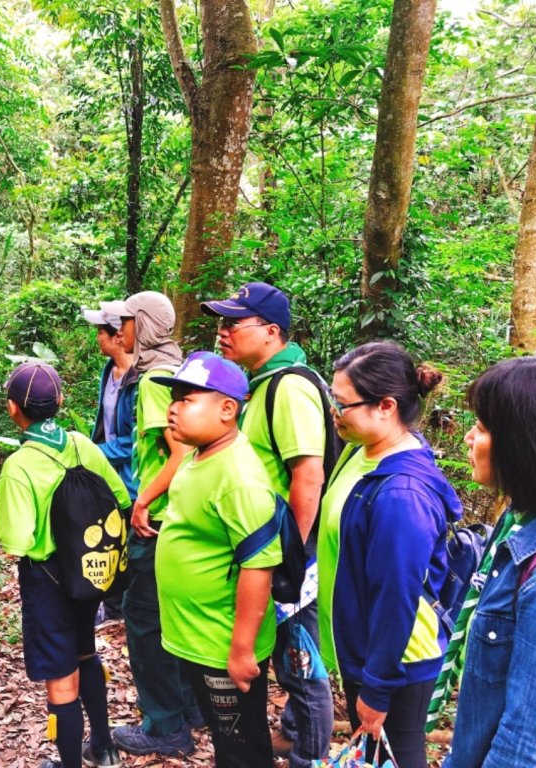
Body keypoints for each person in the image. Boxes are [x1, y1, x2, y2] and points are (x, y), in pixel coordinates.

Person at [201, 281, 333, 767]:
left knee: (301, 665)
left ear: (271, 331)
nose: (222, 332)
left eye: (234, 323)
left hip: (292, 555)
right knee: (289, 659)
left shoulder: (289, 387)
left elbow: (307, 475)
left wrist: (291, 559)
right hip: (273, 548)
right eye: (221, 322)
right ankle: (296, 735)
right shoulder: (261, 385)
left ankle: (310, 757)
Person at [317, 341, 460, 768]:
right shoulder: (362, 452)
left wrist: (377, 686)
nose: (334, 412)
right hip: (364, 645)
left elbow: (396, 594)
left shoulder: (402, 492)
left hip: (397, 658)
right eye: (333, 399)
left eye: (342, 404)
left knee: (398, 754)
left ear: (385, 406)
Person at [0, 361, 131, 768]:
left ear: (12, 409)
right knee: (86, 652)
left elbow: (17, 541)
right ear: (60, 401)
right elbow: (121, 497)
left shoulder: (19, 466)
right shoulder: (81, 445)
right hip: (90, 571)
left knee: (61, 672)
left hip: (48, 579)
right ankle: (103, 748)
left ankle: (69, 762)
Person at [152, 351, 281, 768]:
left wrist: (242, 650)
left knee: (241, 747)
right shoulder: (200, 454)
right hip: (198, 636)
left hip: (223, 644)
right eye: (173, 398)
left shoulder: (239, 478)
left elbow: (258, 565)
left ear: (227, 408)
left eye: (187, 399)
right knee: (227, 740)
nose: (172, 408)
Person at [98, 292, 199, 758]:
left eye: (126, 321)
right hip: (175, 516)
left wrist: (144, 500)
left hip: (158, 520)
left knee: (144, 620)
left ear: (143, 325)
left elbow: (177, 453)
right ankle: (190, 709)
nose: (120, 329)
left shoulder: (156, 379)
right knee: (166, 615)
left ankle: (165, 726)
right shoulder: (167, 368)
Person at [444, 356, 536, 768]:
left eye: (481, 429)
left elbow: (525, 741)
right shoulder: (514, 525)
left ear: (520, 441)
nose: (468, 438)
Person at [81, 306, 137, 624]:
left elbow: (133, 441)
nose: (98, 338)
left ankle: (121, 609)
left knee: (129, 543)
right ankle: (111, 606)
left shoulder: (139, 380)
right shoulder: (109, 371)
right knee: (109, 539)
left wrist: (95, 451)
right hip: (107, 472)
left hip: (131, 478)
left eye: (101, 331)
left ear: (119, 335)